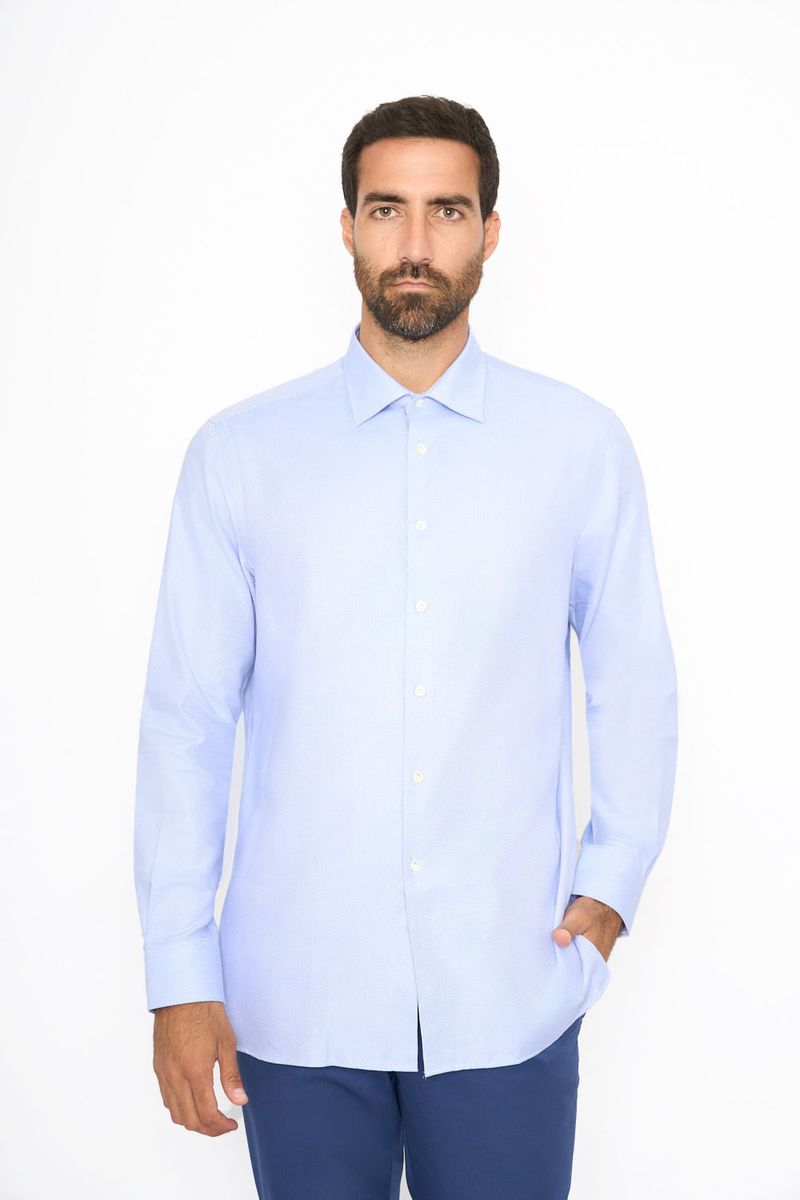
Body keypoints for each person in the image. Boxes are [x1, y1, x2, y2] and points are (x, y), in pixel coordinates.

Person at [133, 94, 678, 1199]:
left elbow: (633, 683)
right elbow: (187, 723)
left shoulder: (577, 446)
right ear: (347, 226)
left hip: (507, 995)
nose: (416, 244)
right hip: (296, 1001)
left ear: (489, 231)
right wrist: (179, 976)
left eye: (447, 211)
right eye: (387, 210)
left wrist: (610, 888)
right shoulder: (240, 456)